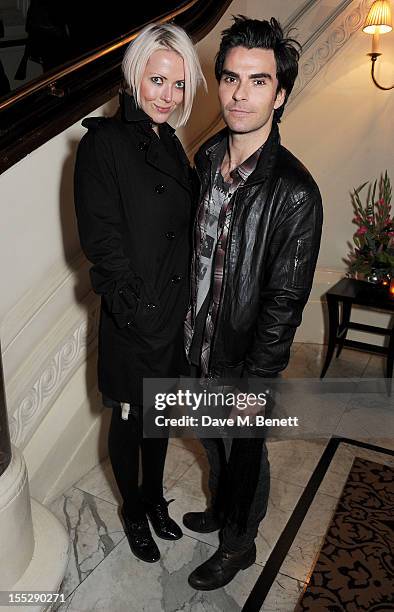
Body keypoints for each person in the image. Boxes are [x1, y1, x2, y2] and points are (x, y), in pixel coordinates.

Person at [183, 16, 323, 590]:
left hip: (245, 362)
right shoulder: (206, 157)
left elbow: (284, 304)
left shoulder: (295, 193)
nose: (241, 93)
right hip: (198, 341)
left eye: (259, 81)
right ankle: (220, 507)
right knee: (209, 441)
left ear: (281, 93)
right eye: (232, 77)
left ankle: (238, 543)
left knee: (245, 455)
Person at [74, 23, 206, 564]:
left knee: (161, 419)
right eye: (157, 80)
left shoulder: (171, 144)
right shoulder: (102, 144)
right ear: (133, 76)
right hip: (136, 318)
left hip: (173, 315)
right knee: (130, 421)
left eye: (177, 85)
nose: (167, 96)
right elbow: (102, 243)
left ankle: (154, 499)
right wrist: (139, 309)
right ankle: (132, 509)